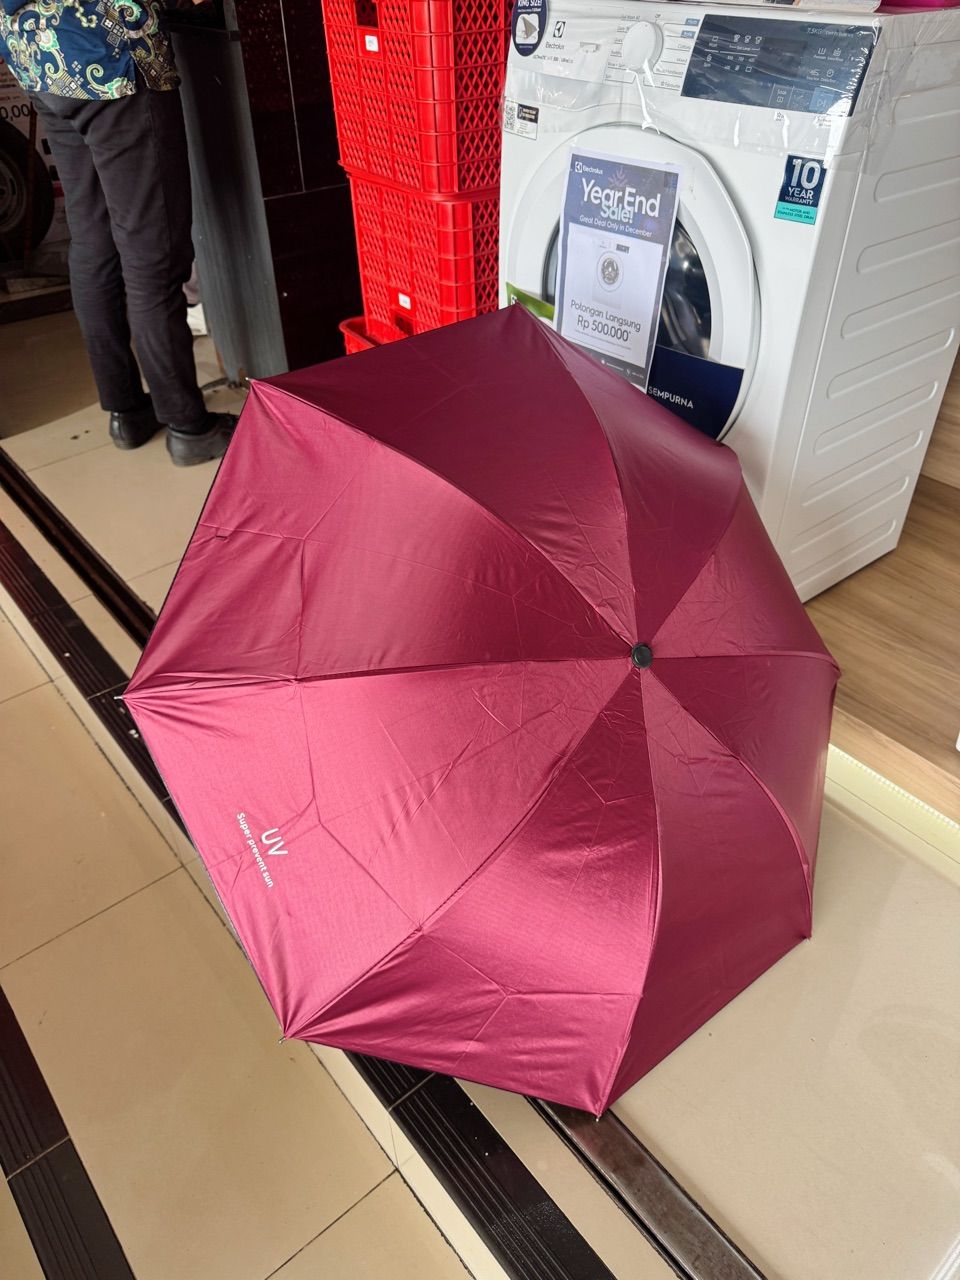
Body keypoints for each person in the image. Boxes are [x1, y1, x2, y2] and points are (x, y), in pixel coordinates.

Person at [0, 0, 235, 466]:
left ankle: (126, 412)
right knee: (153, 254)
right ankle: (188, 426)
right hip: (109, 57)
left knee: (94, 237)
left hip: (41, 56)